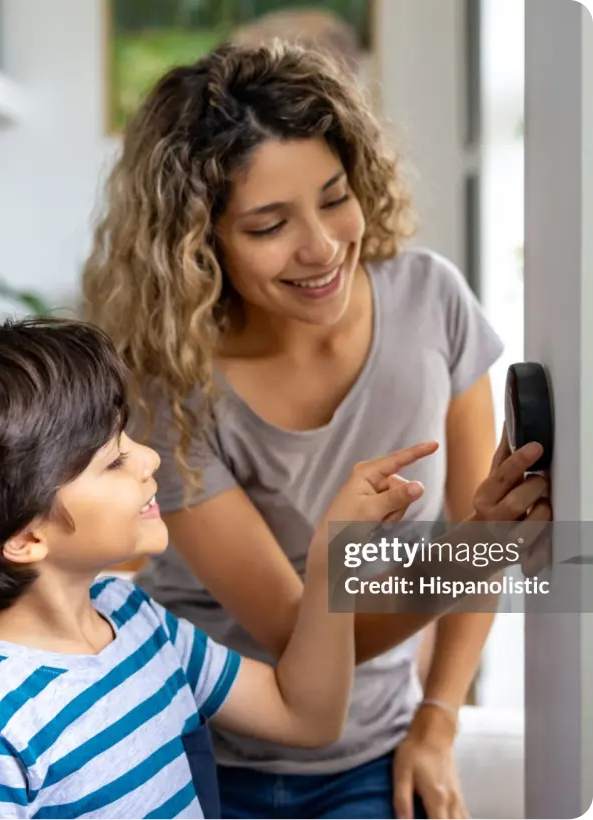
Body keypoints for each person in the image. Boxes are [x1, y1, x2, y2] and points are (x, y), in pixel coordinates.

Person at [82, 41, 538, 819]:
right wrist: (471, 552)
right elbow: (305, 635)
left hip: (371, 748)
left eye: (334, 197)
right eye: (268, 225)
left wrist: (438, 717)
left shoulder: (433, 303)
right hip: (193, 740)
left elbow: (481, 533)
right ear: (200, 244)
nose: (322, 247)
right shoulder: (171, 381)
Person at [0, 317, 446, 819]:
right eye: (114, 461)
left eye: (127, 438)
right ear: (26, 537)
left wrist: (335, 554)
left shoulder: (134, 618)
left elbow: (307, 717)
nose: (149, 458)